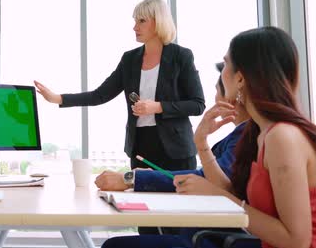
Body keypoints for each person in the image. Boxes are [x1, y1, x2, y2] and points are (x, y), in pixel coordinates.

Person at [173, 26, 316, 248]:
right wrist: (201, 143)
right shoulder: (260, 132)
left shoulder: (282, 137)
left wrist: (221, 197)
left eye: (226, 64)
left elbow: (297, 242)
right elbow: (235, 195)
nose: (222, 72)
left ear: (240, 79)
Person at [35, 0, 205, 172]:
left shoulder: (181, 56)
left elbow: (198, 104)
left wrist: (158, 107)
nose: (135, 27)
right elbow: (99, 95)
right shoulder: (129, 59)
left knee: (178, 199)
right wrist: (57, 98)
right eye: (135, 21)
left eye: (141, 21)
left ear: (158, 22)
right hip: (140, 147)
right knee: (141, 198)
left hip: (176, 151)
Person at [95, 62, 249, 194]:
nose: (215, 98)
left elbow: (208, 179)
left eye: (217, 90)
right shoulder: (242, 133)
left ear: (238, 86)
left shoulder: (245, 136)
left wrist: (130, 178)